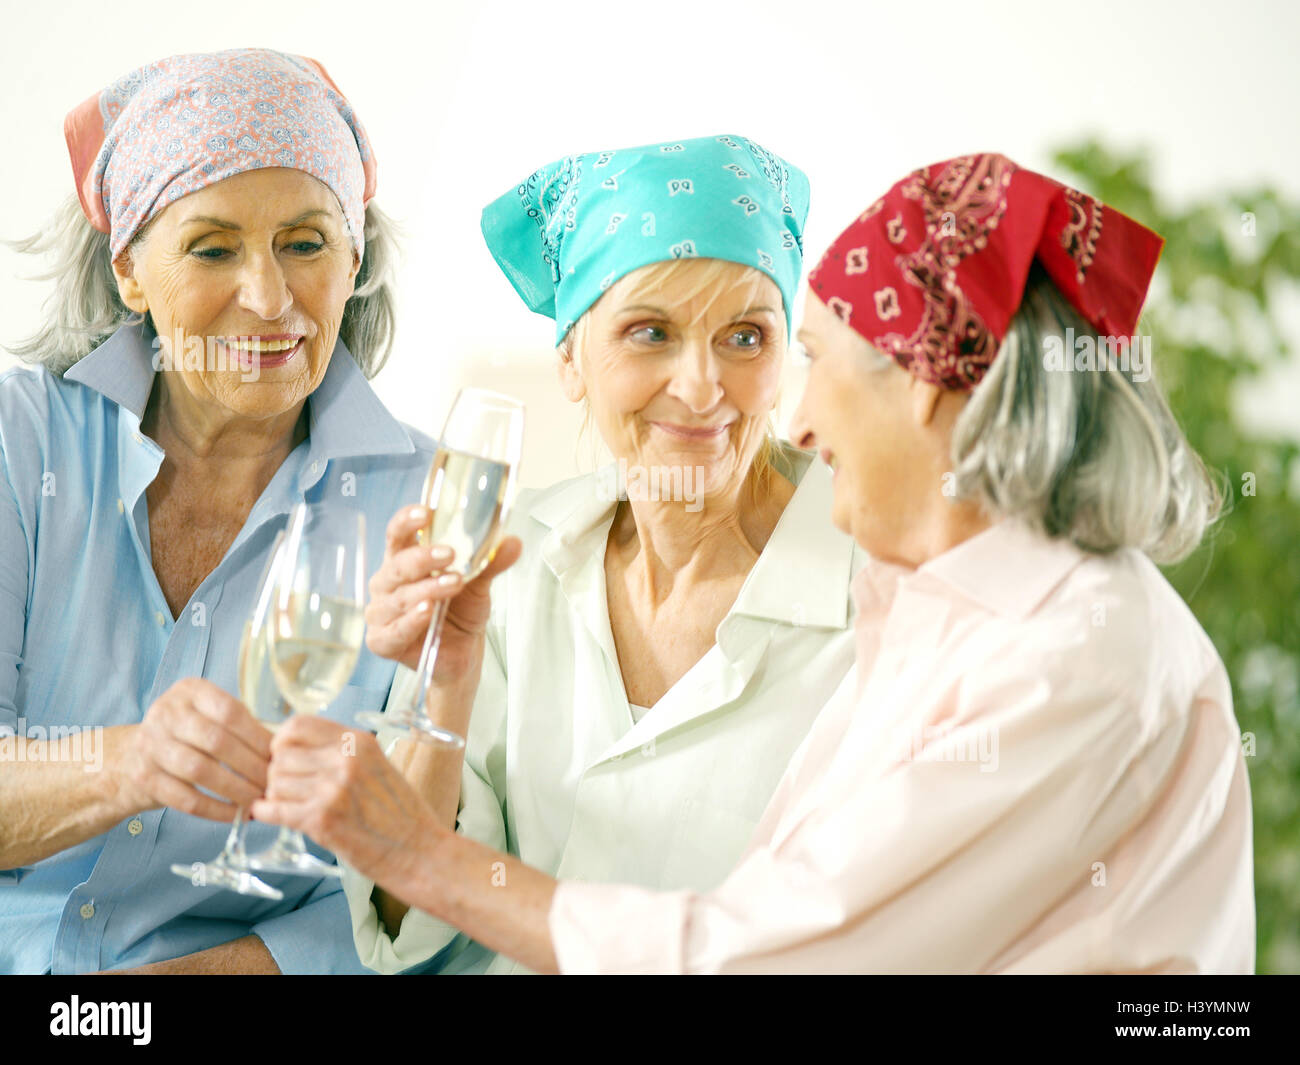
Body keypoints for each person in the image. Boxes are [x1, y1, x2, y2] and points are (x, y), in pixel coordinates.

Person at [254, 153, 1254, 973]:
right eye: (650, 332)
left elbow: (761, 955)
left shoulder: (1066, 660)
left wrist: (424, 856)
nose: (798, 423)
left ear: (924, 384)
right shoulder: (943, 606)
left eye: (785, 350)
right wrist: (439, 701)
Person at [338, 135, 865, 973]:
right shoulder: (506, 564)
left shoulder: (879, 593)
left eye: (746, 337)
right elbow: (408, 925)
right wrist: (446, 685)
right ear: (571, 362)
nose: (700, 386)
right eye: (650, 332)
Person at [0, 48, 437, 974]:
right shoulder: (20, 443)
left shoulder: (428, 503)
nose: (270, 298)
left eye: (307, 242)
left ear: (352, 255)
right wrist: (127, 763)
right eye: (212, 247)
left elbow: (444, 869)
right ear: (129, 269)